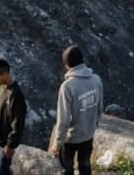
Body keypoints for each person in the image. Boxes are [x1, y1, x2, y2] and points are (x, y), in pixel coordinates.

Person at [49, 46, 103, 175]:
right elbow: (99, 107)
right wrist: (94, 126)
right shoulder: (96, 80)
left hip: (70, 139)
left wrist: (57, 143)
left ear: (66, 65)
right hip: (88, 135)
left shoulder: (67, 87)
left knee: (67, 169)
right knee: (85, 166)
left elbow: (63, 120)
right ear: (82, 60)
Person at [0, 59, 26, 175]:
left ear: (5, 74)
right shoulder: (0, 88)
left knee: (1, 171)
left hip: (5, 142)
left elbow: (18, 122)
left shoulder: (15, 94)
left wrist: (11, 145)